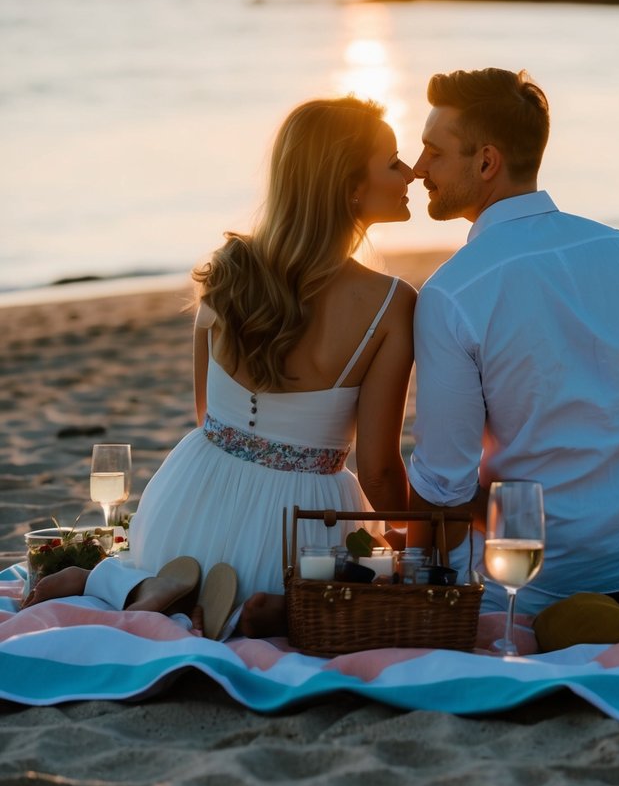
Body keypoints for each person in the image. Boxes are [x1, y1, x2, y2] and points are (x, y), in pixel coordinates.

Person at [24, 97, 416, 637]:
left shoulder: (228, 270)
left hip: (183, 512)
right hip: (297, 534)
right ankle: (275, 607)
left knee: (174, 556)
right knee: (392, 577)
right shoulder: (391, 303)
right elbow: (377, 470)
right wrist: (410, 535)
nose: (411, 172)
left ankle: (123, 583)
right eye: (393, 161)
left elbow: (208, 413)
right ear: (348, 183)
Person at [406, 68, 619, 615]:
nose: (417, 168)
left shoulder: (451, 293)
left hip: (547, 579)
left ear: (486, 162)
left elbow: (444, 485)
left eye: (433, 152)